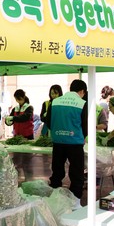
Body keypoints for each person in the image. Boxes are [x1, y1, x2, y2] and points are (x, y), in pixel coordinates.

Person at [45, 79, 88, 208]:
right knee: (76, 172)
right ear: (82, 91)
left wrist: (57, 132)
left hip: (58, 141)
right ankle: (75, 201)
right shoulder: (82, 103)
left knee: (57, 171)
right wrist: (82, 136)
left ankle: (54, 198)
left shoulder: (55, 102)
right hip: (75, 142)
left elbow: (48, 121)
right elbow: (86, 124)